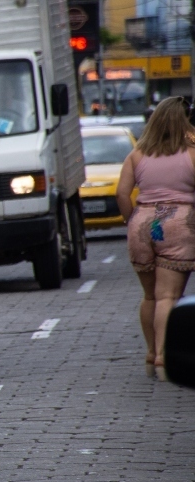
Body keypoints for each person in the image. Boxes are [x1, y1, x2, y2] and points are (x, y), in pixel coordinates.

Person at [116, 96, 195, 382]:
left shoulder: (137, 154)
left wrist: (130, 220)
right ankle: (164, 356)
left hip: (142, 223)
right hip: (178, 222)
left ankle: (150, 353)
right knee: (168, 296)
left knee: (150, 295)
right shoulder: (191, 150)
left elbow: (122, 194)